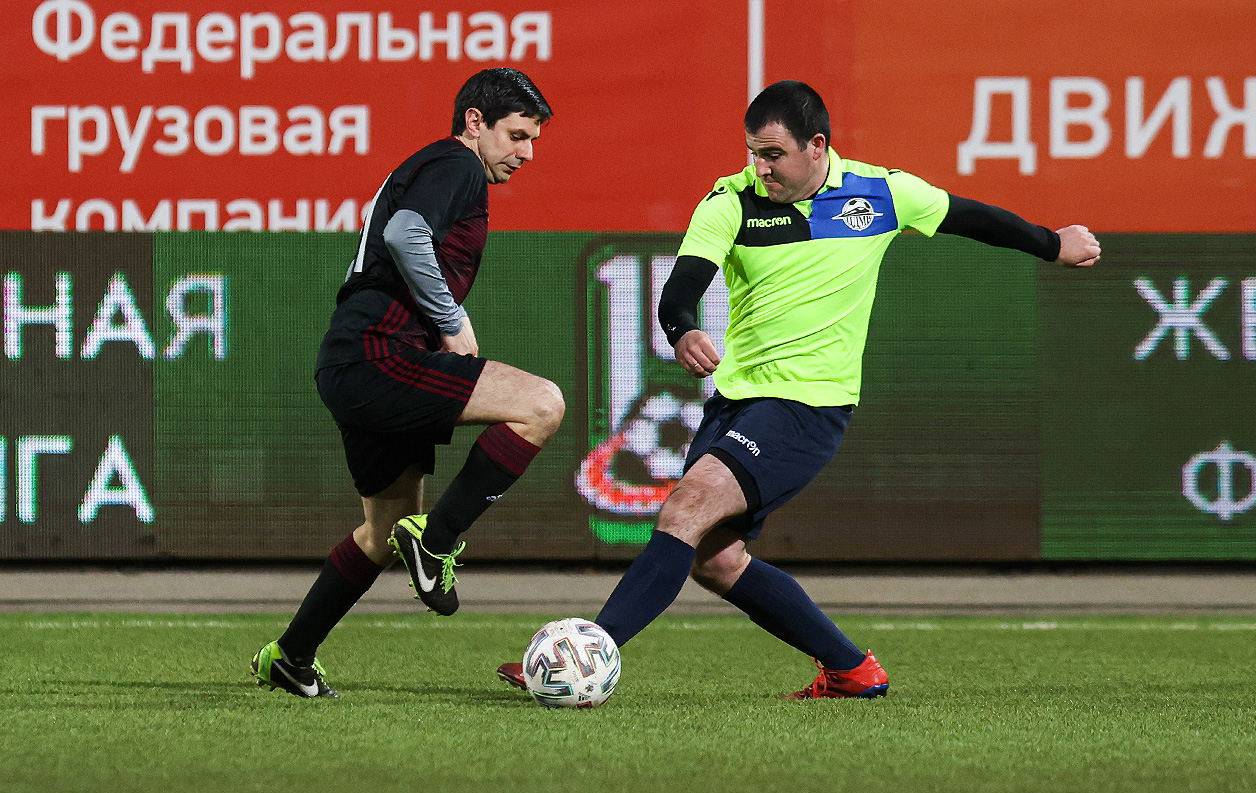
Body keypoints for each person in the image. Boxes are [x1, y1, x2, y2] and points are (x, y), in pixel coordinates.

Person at [498, 80, 1100, 699]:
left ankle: (583, 656)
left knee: (685, 508)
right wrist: (682, 330)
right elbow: (679, 292)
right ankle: (852, 671)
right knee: (714, 561)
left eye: (773, 154)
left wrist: (1053, 244)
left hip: (809, 405)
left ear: (816, 147)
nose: (760, 168)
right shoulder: (731, 201)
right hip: (735, 402)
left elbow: (971, 217)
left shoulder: (884, 193)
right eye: (753, 153)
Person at [252, 68, 563, 698]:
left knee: (383, 533)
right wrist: (451, 320)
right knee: (541, 404)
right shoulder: (458, 162)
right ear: (475, 122)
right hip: (379, 354)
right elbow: (403, 233)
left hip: (352, 360)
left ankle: (290, 655)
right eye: (517, 135)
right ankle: (438, 541)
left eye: (533, 139)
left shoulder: (433, 167)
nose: (528, 153)